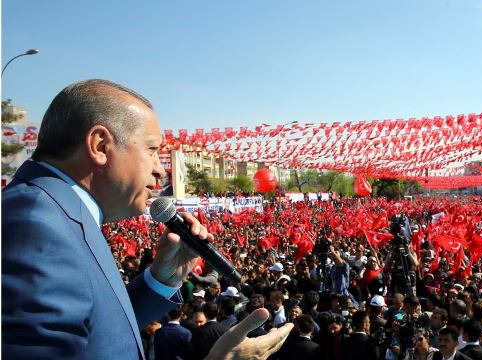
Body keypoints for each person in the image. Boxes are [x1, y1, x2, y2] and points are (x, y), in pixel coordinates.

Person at [2, 79, 293, 360]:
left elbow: (98, 333)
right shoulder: (36, 227)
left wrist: (160, 280)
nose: (160, 171)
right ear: (100, 146)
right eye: (152, 151)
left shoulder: (56, 216)